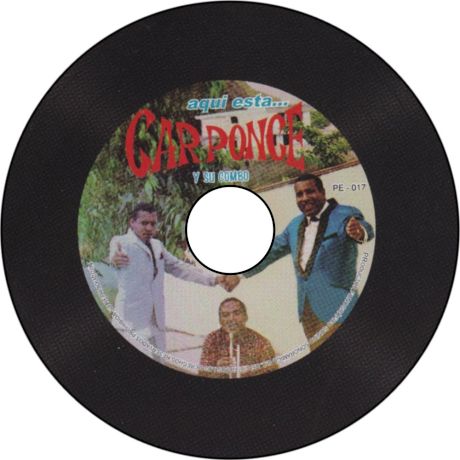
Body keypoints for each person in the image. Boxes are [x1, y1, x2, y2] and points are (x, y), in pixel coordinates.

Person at [224, 173, 374, 351]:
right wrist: (239, 274)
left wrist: (359, 232)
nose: (305, 198)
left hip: (339, 307)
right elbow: (271, 251)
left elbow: (365, 228)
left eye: (310, 192)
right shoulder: (294, 225)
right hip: (307, 312)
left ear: (322, 192)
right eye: (299, 194)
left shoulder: (344, 214)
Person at [109, 202, 229, 356]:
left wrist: (214, 279)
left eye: (153, 224)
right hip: (131, 321)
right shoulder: (122, 242)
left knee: (160, 362)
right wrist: (114, 258)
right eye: (144, 223)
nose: (149, 228)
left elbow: (179, 267)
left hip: (156, 321)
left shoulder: (157, 245)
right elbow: (115, 255)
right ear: (132, 222)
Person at [199, 298, 278, 378]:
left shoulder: (261, 343)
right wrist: (218, 370)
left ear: (245, 316)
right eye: (225, 315)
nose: (231, 319)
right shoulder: (212, 340)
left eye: (237, 313)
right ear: (220, 320)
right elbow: (202, 374)